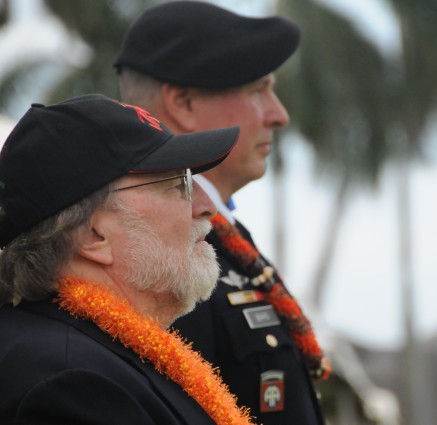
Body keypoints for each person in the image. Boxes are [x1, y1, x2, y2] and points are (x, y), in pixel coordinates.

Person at [114, 2, 330, 424]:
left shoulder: (215, 232)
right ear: (185, 103)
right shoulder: (152, 247)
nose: (279, 114)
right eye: (257, 90)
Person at [0, 93, 257, 425]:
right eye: (178, 183)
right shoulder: (73, 383)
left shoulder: (90, 358)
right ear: (93, 236)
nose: (207, 206)